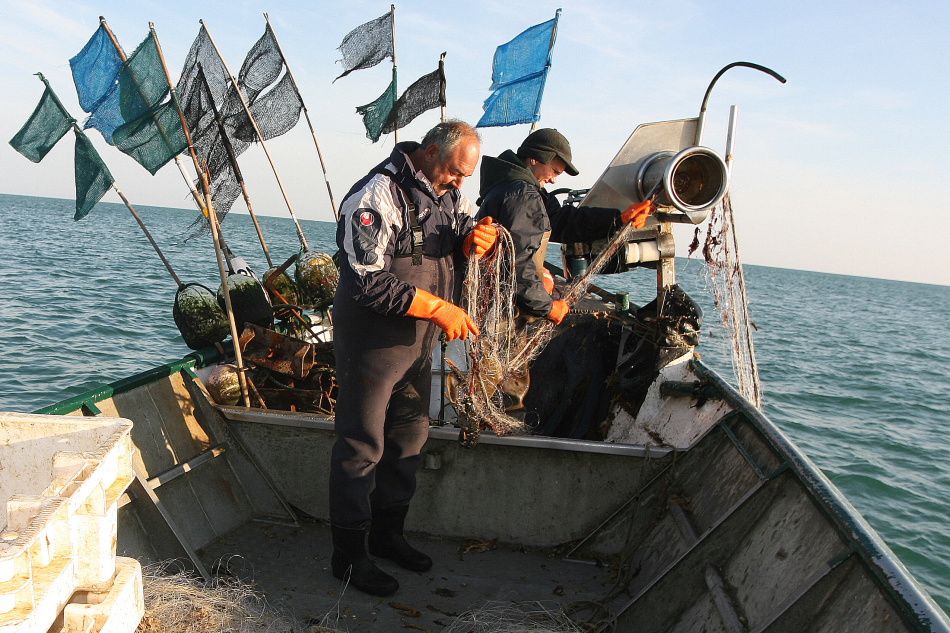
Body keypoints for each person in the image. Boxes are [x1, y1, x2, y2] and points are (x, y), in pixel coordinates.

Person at [329, 120, 497, 597]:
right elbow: (366, 280)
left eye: (467, 176)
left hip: (420, 342)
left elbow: (463, 235)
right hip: (374, 340)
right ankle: (349, 556)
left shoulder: (451, 196)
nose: (461, 183)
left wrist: (475, 240)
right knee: (362, 444)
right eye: (454, 172)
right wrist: (441, 308)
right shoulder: (377, 194)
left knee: (409, 435)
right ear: (428, 153)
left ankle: (387, 535)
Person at [476, 128, 652, 324]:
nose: (554, 179)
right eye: (554, 171)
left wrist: (618, 219)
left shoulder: (511, 186)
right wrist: (548, 307)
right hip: (499, 310)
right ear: (535, 158)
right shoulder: (523, 195)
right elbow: (517, 261)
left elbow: (562, 220)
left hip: (489, 297)